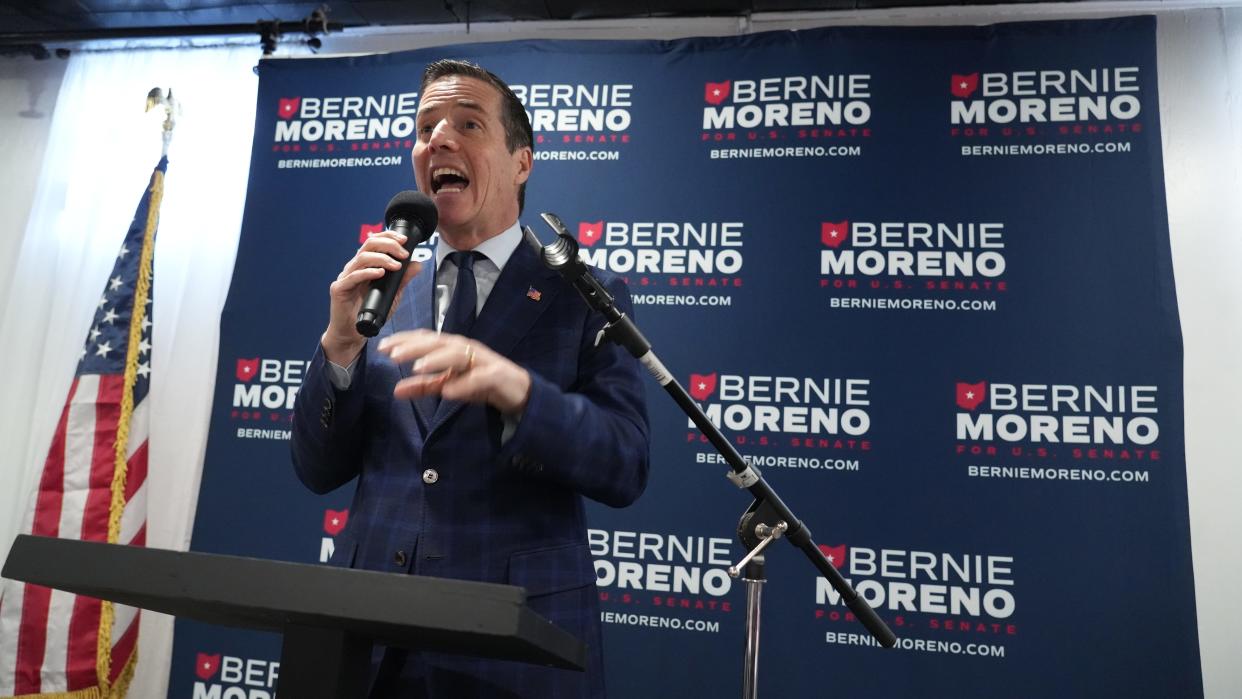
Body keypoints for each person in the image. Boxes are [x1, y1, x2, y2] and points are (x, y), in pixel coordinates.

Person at [290, 59, 650, 698]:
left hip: (513, 648)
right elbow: (319, 469)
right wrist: (340, 344)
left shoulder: (580, 294)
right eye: (426, 127)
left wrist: (517, 391)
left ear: (521, 161)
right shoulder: (382, 289)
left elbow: (625, 462)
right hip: (370, 644)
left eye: (467, 124)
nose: (440, 140)